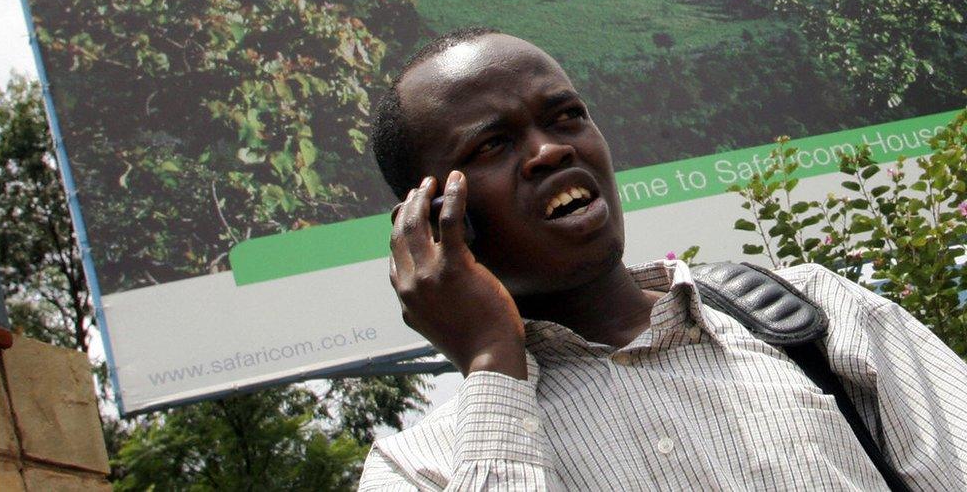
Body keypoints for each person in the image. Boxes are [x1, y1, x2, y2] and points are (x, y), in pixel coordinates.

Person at [358, 27, 967, 490]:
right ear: (429, 219)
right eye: (492, 143)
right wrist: (493, 359)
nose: (550, 150)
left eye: (566, 116)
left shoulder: (821, 313)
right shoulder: (416, 468)